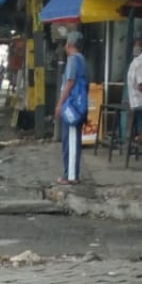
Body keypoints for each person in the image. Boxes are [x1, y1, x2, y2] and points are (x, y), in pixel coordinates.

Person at [55, 31, 88, 186]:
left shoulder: (73, 60)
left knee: (71, 141)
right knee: (70, 141)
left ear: (69, 45)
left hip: (72, 108)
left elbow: (69, 83)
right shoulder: (82, 60)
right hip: (77, 106)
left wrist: (59, 104)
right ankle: (69, 174)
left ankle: (71, 176)